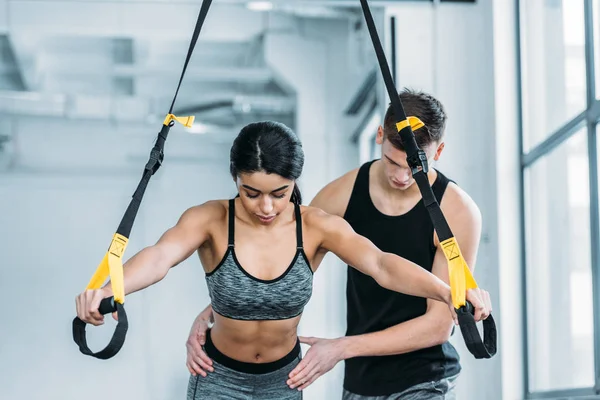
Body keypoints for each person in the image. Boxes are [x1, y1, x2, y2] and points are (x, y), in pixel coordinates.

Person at [185, 89, 492, 399]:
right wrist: (216, 312)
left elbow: (438, 324)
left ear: (437, 152)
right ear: (379, 135)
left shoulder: (458, 212)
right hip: (361, 380)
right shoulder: (342, 194)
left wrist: (342, 348)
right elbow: (287, 264)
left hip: (425, 377)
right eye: (392, 161)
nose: (401, 176)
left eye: (413, 166)